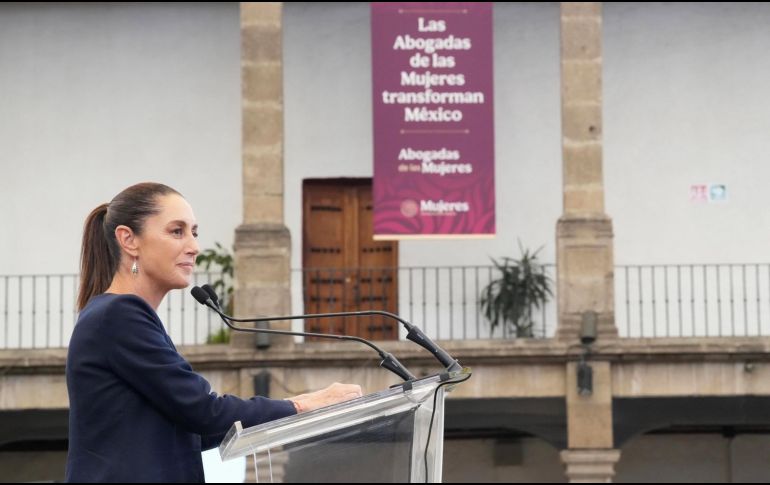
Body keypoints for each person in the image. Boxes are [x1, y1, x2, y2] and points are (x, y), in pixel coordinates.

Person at [66, 182, 362, 482]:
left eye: (194, 232)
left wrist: (295, 410)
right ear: (129, 240)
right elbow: (204, 412)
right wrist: (299, 405)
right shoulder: (119, 315)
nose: (194, 246)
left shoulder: (116, 315)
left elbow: (190, 428)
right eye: (177, 231)